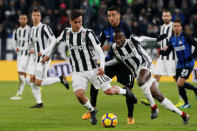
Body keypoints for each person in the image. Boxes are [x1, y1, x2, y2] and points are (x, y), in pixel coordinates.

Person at [41, 10, 137, 125]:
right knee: (79, 94)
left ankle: (125, 92)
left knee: (109, 91)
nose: (78, 24)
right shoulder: (66, 32)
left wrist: (101, 67)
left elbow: (100, 52)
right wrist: (48, 55)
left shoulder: (88, 33)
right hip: (77, 72)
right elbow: (55, 42)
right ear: (70, 22)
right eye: (76, 22)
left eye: (80, 22)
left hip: (93, 69)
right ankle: (92, 110)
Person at [107, 28, 190, 124]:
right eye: (116, 39)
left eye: (120, 38)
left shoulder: (132, 40)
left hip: (146, 64)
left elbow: (143, 38)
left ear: (124, 36)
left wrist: (156, 39)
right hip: (137, 72)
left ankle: (153, 107)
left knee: (140, 81)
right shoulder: (114, 48)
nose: (118, 41)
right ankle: (184, 115)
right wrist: (103, 64)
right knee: (159, 96)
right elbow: (117, 60)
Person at [82, 5, 136, 124]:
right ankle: (92, 109)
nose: (111, 18)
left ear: (119, 15)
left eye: (113, 15)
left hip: (125, 64)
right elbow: (99, 44)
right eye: (109, 16)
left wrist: (111, 47)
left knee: (128, 90)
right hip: (110, 62)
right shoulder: (106, 28)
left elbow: (132, 45)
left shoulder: (125, 27)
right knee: (95, 82)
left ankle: (130, 117)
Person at [141, 9, 184, 107]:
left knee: (176, 78)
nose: (166, 17)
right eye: (164, 16)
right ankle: (151, 98)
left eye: (167, 16)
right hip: (162, 57)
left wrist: (170, 46)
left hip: (172, 57)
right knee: (156, 77)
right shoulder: (162, 27)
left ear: (171, 17)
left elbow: (177, 37)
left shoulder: (174, 26)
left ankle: (182, 100)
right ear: (162, 17)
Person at [28, 8, 69, 108]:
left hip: (44, 59)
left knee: (38, 82)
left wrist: (45, 52)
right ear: (31, 16)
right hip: (34, 59)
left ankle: (59, 79)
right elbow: (31, 43)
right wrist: (31, 49)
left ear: (40, 17)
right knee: (32, 80)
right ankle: (39, 103)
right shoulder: (32, 29)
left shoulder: (44, 28)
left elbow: (54, 40)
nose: (36, 17)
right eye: (34, 15)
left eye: (38, 15)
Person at [160, 19, 197, 109]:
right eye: (174, 26)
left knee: (180, 83)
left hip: (188, 64)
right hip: (180, 64)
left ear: (181, 27)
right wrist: (162, 52)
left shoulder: (185, 36)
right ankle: (187, 103)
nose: (176, 28)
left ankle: (195, 90)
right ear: (173, 28)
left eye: (178, 26)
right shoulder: (172, 39)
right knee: (178, 84)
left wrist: (192, 56)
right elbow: (168, 52)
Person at [10, 14, 31, 100]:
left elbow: (33, 41)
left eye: (24, 19)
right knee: (22, 74)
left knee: (21, 72)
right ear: (19, 20)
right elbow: (13, 41)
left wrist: (31, 50)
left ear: (27, 20)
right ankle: (34, 85)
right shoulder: (16, 31)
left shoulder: (30, 30)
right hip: (19, 55)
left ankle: (19, 93)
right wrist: (16, 48)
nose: (23, 20)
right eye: (21, 19)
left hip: (27, 54)